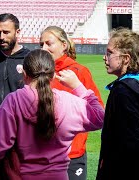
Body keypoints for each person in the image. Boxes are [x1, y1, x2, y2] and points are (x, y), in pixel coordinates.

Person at [0, 49, 104, 180]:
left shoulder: (13, 101)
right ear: (52, 76)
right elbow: (100, 117)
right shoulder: (68, 101)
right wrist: (78, 86)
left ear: (24, 74)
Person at [40, 26, 104, 180]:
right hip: (43, 154)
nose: (43, 48)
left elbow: (98, 110)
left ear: (64, 45)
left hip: (72, 155)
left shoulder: (79, 72)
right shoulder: (40, 74)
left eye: (49, 43)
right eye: (41, 44)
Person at [96, 28, 139, 180]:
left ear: (126, 58)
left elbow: (129, 145)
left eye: (110, 53)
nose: (105, 58)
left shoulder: (123, 91)